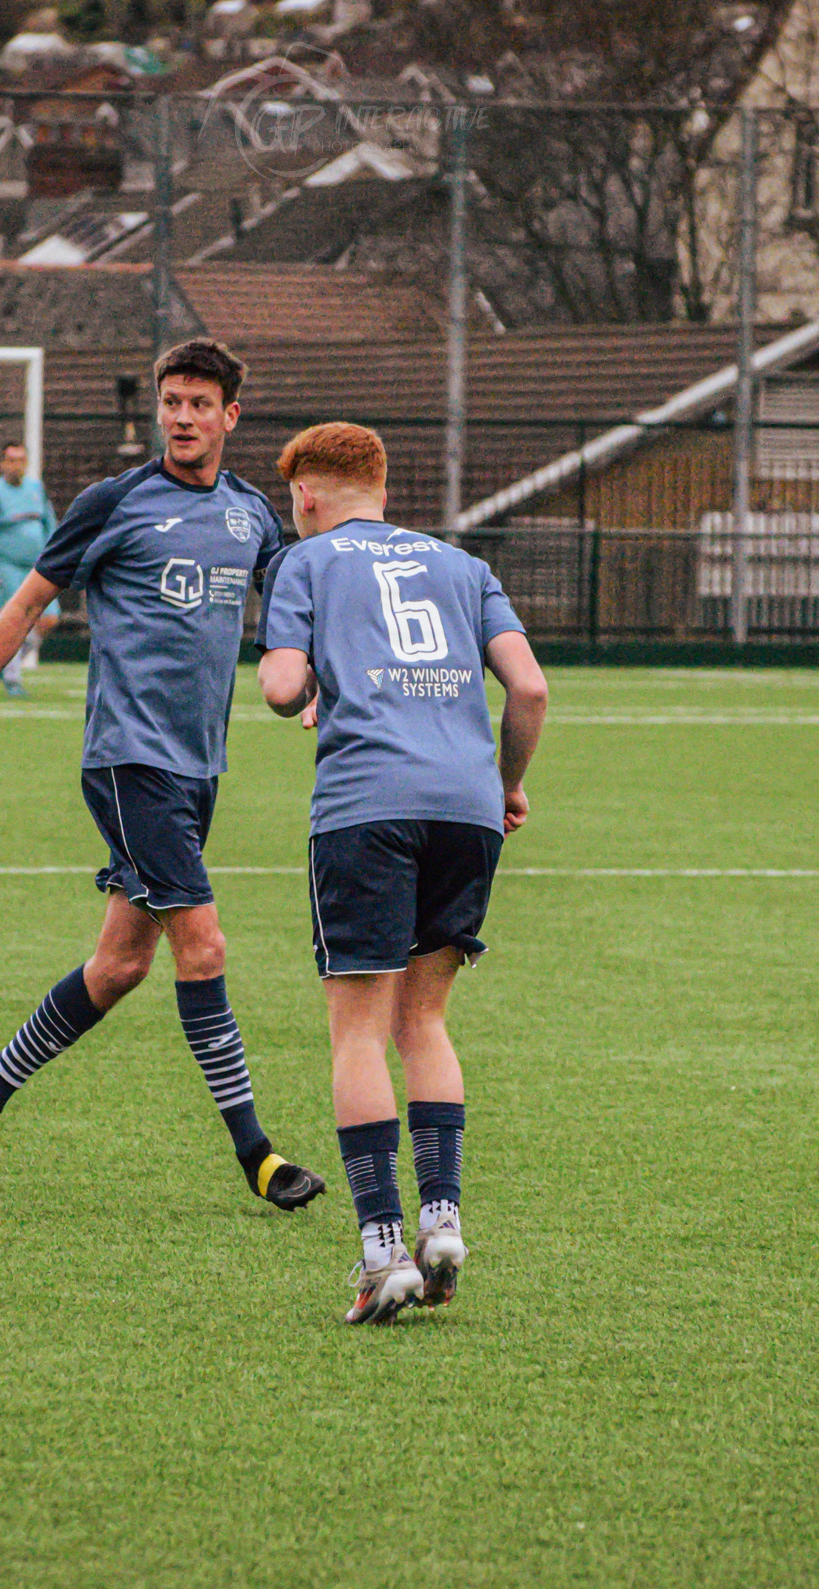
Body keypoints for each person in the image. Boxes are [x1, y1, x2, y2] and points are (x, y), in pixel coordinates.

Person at [0, 338, 325, 1210]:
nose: (182, 417)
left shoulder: (253, 513)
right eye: (170, 401)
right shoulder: (116, 501)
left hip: (198, 768)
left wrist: (314, 679)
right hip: (128, 760)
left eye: (198, 404)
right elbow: (28, 601)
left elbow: (291, 609)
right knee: (206, 945)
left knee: (118, 966)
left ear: (230, 416)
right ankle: (258, 1156)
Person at [255, 422, 548, 1324]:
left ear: (306, 493)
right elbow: (529, 689)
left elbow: (278, 685)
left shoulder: (305, 563)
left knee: (357, 1031)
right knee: (424, 1019)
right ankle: (443, 1219)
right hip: (466, 807)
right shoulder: (463, 566)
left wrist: (313, 691)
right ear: (380, 486)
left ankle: (384, 1250)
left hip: (366, 807)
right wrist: (507, 783)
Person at [0, 441, 57, 696]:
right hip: (6, 565)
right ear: (2, 463)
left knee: (49, 617)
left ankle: (4, 661)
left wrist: (55, 553)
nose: (15, 465)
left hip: (37, 567)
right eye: (10, 460)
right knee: (14, 621)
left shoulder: (36, 489)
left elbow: (49, 524)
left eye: (20, 460)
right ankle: (12, 679)